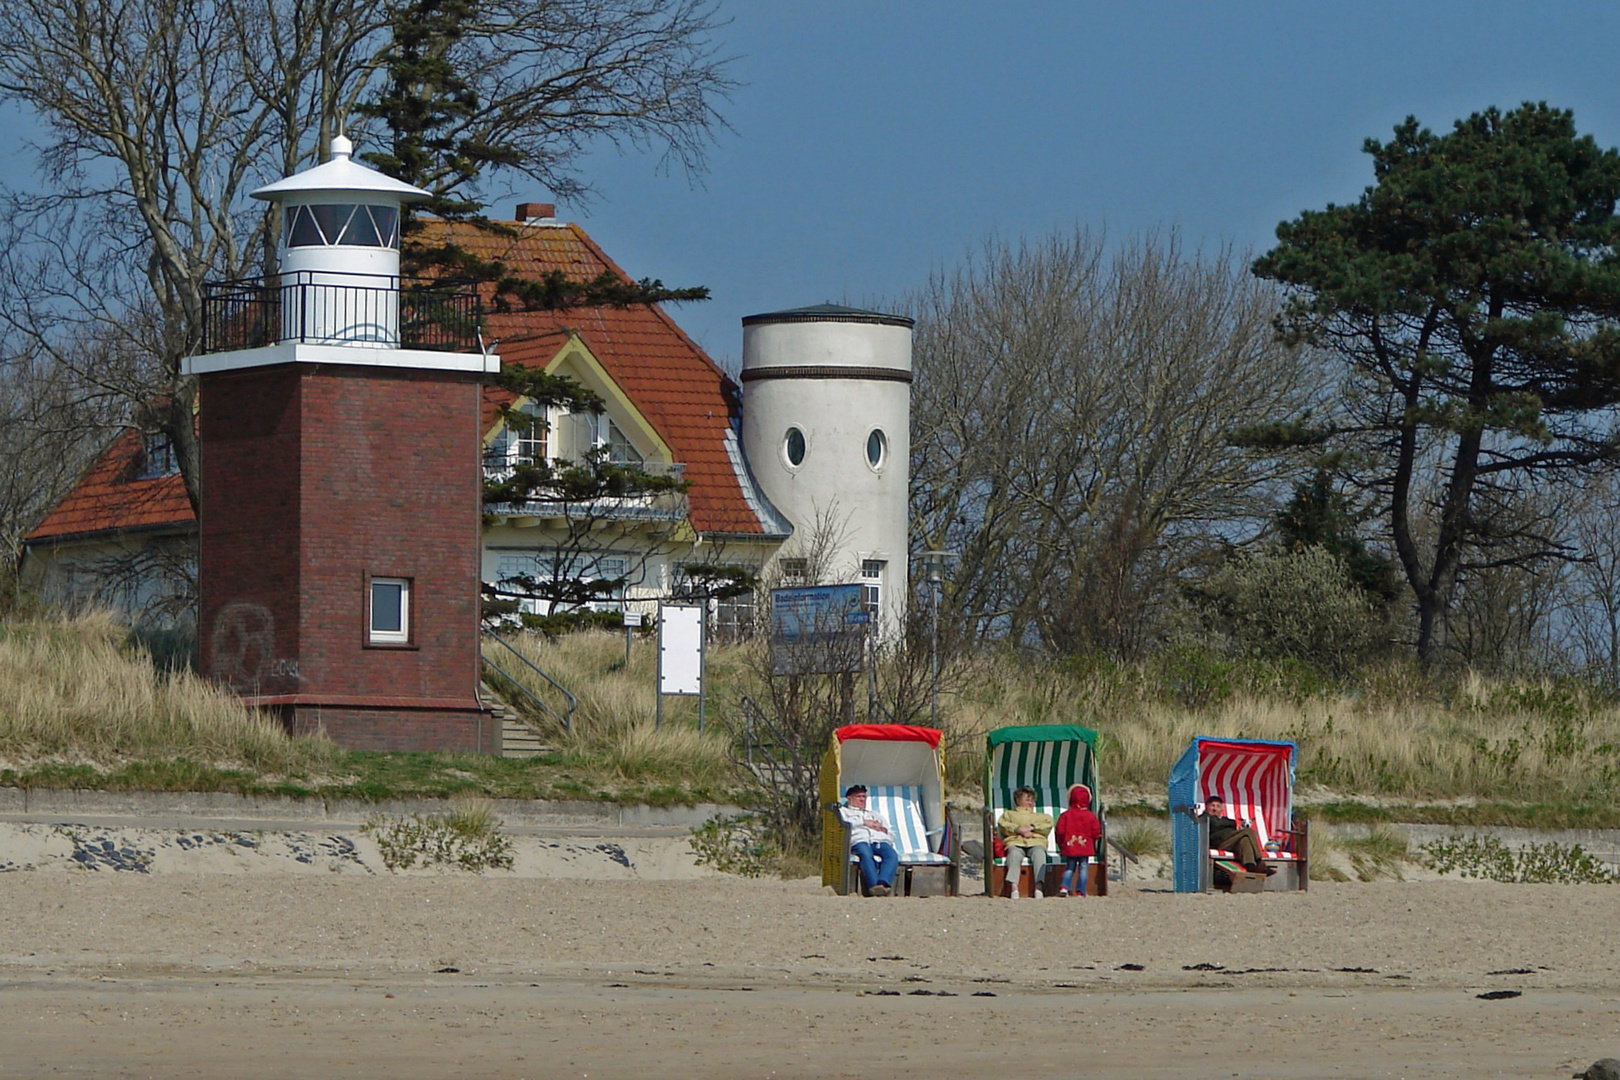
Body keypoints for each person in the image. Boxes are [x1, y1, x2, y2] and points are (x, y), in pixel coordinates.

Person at [838, 784, 899, 897]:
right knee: (866, 854)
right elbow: (843, 826)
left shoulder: (874, 814)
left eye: (864, 797)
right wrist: (863, 822)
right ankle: (873, 886)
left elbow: (892, 833)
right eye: (859, 796)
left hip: (879, 840)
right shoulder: (844, 812)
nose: (862, 799)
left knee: (891, 855)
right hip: (860, 840)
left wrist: (883, 831)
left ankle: (882, 884)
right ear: (849, 798)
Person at [997, 786, 1053, 898]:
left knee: (1039, 855)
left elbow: (1049, 824)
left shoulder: (1041, 816)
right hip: (1015, 841)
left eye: (1032, 800)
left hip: (1036, 842)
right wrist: (1018, 829)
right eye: (1027, 799)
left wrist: (1032, 827)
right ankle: (1014, 888)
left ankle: (1039, 887)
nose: (1030, 802)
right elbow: (1003, 825)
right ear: (1018, 800)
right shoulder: (1009, 814)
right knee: (1014, 855)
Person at [1202, 796, 1276, 875]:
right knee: (1249, 831)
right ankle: (1259, 860)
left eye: (1218, 806)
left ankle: (1250, 866)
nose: (1215, 809)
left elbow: (1232, 823)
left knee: (1245, 839)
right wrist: (1227, 824)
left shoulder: (1224, 819)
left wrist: (1225, 823)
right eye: (1212, 805)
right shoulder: (1204, 817)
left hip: (1229, 841)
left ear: (1222, 809)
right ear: (1207, 806)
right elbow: (1217, 824)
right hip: (1217, 843)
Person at [1056, 783, 1102, 897]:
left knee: (1070, 867)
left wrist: (1061, 843)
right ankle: (1081, 890)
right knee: (1083, 868)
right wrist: (1094, 840)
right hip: (1085, 847)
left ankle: (1064, 887)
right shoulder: (1091, 816)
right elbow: (1096, 831)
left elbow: (1060, 831)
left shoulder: (1065, 815)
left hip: (1070, 846)